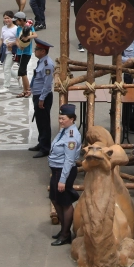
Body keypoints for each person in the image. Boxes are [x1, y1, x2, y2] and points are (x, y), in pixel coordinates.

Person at [49, 103, 82, 246]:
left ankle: (66, 234)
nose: (60, 121)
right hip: (56, 170)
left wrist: (62, 180)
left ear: (72, 119)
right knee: (55, 199)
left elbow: (69, 160)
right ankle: (64, 229)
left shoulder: (71, 136)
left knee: (65, 202)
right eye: (59, 118)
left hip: (63, 171)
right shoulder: (64, 131)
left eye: (63, 118)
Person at [30, 38, 55, 156]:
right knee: (39, 121)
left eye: (37, 49)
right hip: (37, 95)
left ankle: (45, 148)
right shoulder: (41, 61)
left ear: (43, 51)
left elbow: (47, 83)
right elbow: (37, 77)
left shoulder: (47, 64)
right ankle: (41, 142)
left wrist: (41, 99)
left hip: (43, 97)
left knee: (44, 122)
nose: (35, 51)